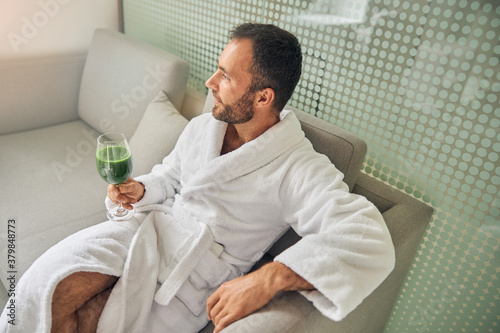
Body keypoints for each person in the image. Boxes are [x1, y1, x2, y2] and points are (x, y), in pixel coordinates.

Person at [1, 23, 395, 333]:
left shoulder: (298, 168)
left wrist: (272, 277)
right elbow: (169, 176)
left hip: (188, 280)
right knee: (47, 288)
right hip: (146, 232)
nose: (210, 84)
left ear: (262, 98)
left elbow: (366, 236)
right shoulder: (204, 127)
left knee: (93, 322)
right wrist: (142, 189)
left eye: (225, 76)